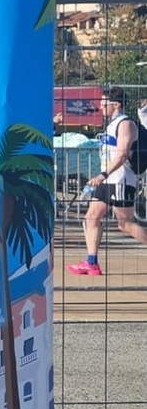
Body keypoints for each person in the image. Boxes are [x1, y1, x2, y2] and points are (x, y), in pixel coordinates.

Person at [66, 86, 147, 276]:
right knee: (91, 217)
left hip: (121, 179)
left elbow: (122, 155)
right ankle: (91, 262)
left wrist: (102, 175)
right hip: (108, 179)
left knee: (124, 224)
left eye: (104, 103)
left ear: (116, 104)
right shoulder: (111, 124)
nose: (101, 106)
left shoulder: (125, 124)